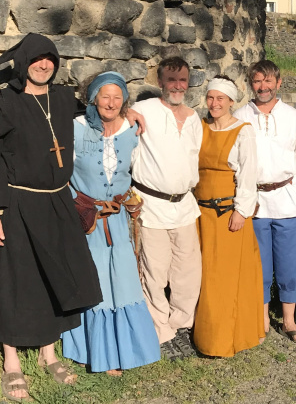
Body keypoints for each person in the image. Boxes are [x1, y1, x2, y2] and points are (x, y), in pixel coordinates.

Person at [0, 34, 103, 403]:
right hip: (16, 204)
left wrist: (131, 112)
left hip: (56, 204)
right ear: (22, 63)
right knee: (14, 281)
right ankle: (12, 362)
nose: (43, 64)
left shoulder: (65, 99)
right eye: (36, 59)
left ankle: (48, 353)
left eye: (49, 58)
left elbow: (102, 111)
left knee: (53, 276)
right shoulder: (6, 102)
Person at [61, 72, 161, 374]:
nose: (111, 102)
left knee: (124, 281)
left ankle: (127, 349)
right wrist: (77, 206)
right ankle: (90, 350)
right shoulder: (74, 129)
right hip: (87, 221)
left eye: (118, 97)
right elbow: (59, 173)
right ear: (92, 98)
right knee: (94, 282)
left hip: (118, 220)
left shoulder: (133, 128)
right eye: (105, 96)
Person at [130, 57, 203, 360]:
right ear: (160, 82)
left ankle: (182, 326)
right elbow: (115, 117)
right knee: (155, 273)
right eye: (171, 80)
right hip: (152, 205)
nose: (177, 85)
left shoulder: (195, 118)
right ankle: (162, 332)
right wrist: (125, 111)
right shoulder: (144, 111)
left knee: (188, 273)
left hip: (185, 205)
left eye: (182, 79)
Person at [234, 60, 296, 344]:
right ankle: (262, 317)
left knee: (290, 263)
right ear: (250, 84)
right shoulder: (240, 116)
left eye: (268, 81)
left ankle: (289, 320)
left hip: (286, 199)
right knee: (259, 264)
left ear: (278, 82)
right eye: (257, 81)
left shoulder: (293, 118)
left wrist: (280, 179)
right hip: (253, 201)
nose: (263, 87)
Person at [193, 76, 265, 357]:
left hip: (227, 215)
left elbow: (248, 174)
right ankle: (203, 334)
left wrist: (241, 211)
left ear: (231, 102)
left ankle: (224, 338)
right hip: (200, 214)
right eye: (210, 98)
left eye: (220, 99)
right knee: (203, 275)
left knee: (224, 278)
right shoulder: (200, 128)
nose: (214, 103)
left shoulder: (242, 131)